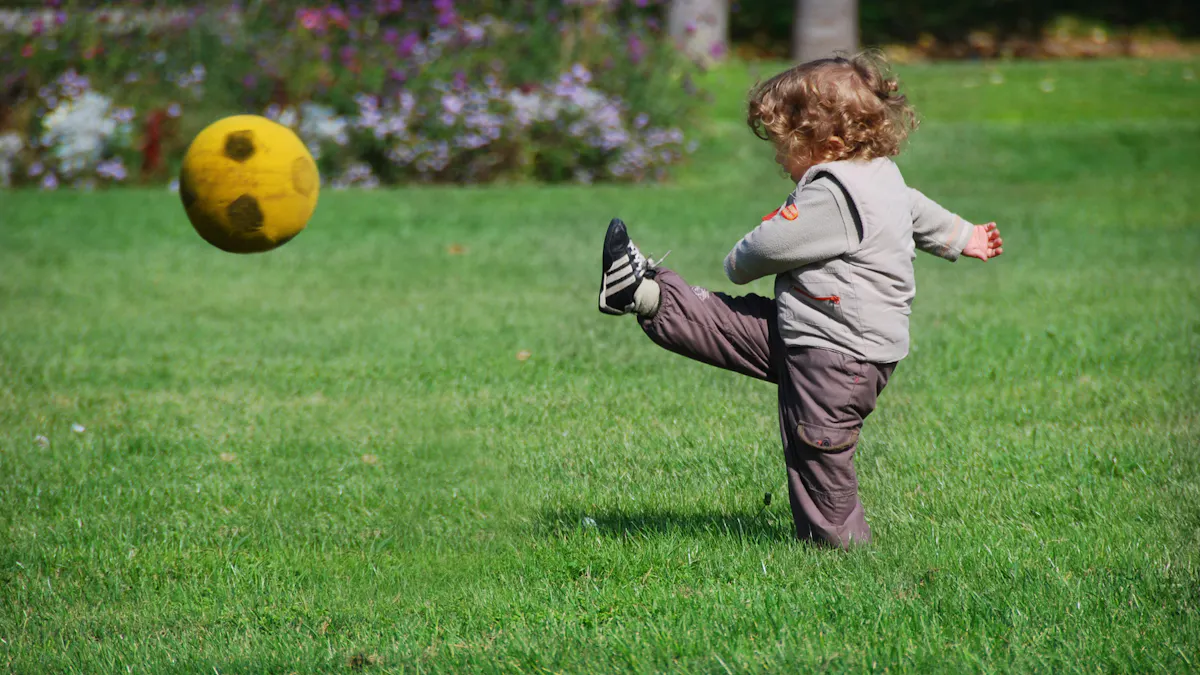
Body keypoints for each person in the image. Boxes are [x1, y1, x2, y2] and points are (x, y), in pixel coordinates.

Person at [597, 52, 1003, 548]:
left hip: (836, 355)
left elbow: (765, 249)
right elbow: (917, 209)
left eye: (783, 146)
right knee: (724, 323)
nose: (777, 159)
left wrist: (739, 259)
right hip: (817, 334)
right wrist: (962, 235)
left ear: (826, 145)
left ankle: (839, 551)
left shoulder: (832, 195)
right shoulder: (879, 174)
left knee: (819, 453)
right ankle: (639, 291)